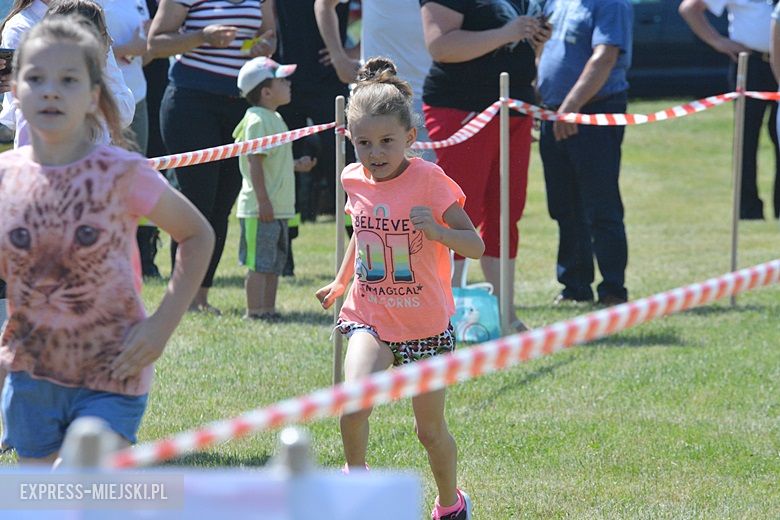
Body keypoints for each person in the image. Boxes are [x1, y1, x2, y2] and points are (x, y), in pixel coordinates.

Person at [0, 16, 213, 465]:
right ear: (15, 90)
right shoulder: (6, 179)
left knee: (79, 465)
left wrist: (160, 326)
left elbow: (197, 235)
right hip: (30, 377)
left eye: (68, 79)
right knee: (47, 507)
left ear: (94, 96)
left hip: (113, 371)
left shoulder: (123, 172)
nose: (51, 90)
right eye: (36, 78)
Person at [315, 58, 483, 520]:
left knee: (428, 432)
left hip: (426, 325)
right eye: (364, 142)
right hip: (370, 316)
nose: (375, 152)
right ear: (351, 139)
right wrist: (341, 280)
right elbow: (363, 235)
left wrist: (440, 232)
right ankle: (357, 485)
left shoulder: (430, 181)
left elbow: (476, 242)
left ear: (410, 138)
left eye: (386, 141)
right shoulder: (353, 178)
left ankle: (451, 503)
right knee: (353, 402)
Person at [419, 0, 549, 332]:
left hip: (516, 106)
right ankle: (449, 313)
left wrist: (535, 39)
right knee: (461, 208)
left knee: (506, 211)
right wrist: (506, 33)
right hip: (462, 107)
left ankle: (504, 312)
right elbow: (440, 45)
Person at [147, 0, 276, 314]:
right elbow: (156, 43)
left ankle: (200, 295)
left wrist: (264, 46)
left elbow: (270, 36)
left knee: (221, 204)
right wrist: (202, 36)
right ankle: (183, 296)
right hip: (191, 103)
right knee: (196, 203)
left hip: (239, 106)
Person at [536, 0, 632, 306]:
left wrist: (572, 107)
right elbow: (542, 50)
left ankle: (613, 290)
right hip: (555, 114)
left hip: (593, 112)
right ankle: (574, 287)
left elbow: (604, 57)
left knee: (600, 205)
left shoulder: (611, 4)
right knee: (564, 206)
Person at [233, 57, 316, 320]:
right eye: (282, 80)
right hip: (261, 207)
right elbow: (254, 161)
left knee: (274, 264)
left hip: (278, 207)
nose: (288, 83)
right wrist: (263, 201)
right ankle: (254, 311)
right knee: (259, 264)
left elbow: (272, 161)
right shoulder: (257, 120)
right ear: (266, 92)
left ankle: (268, 309)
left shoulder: (275, 117)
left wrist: (294, 164)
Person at [680, 0, 779, 220]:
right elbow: (689, 8)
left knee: (779, 133)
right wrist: (719, 42)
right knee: (746, 138)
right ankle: (748, 209)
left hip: (779, 61)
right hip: (750, 63)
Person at [0, 0, 135, 148]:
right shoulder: (19, 27)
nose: (110, 41)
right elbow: (18, 114)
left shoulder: (86, 10)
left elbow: (124, 108)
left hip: (96, 156)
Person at [314, 0, 435, 161]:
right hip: (373, 98)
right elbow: (324, 4)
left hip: (430, 99)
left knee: (427, 182)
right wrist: (338, 58)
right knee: (373, 182)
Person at [275, 0, 353, 221]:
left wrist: (345, 53)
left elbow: (377, 15)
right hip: (286, 81)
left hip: (330, 81)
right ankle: (285, 246)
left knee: (342, 162)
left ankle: (357, 237)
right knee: (283, 164)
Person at [101, 0, 161, 279]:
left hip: (135, 97)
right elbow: (75, 49)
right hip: (98, 105)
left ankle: (143, 256)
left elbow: (144, 55)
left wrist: (143, 47)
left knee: (138, 182)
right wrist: (129, 48)